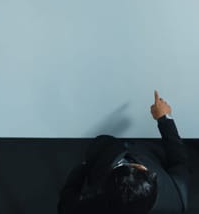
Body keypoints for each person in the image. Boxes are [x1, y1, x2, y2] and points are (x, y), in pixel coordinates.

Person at [57, 91, 189, 214]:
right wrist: (165, 119)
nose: (144, 168)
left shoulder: (85, 208)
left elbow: (66, 202)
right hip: (148, 150)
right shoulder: (175, 201)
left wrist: (84, 166)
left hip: (104, 152)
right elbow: (179, 160)